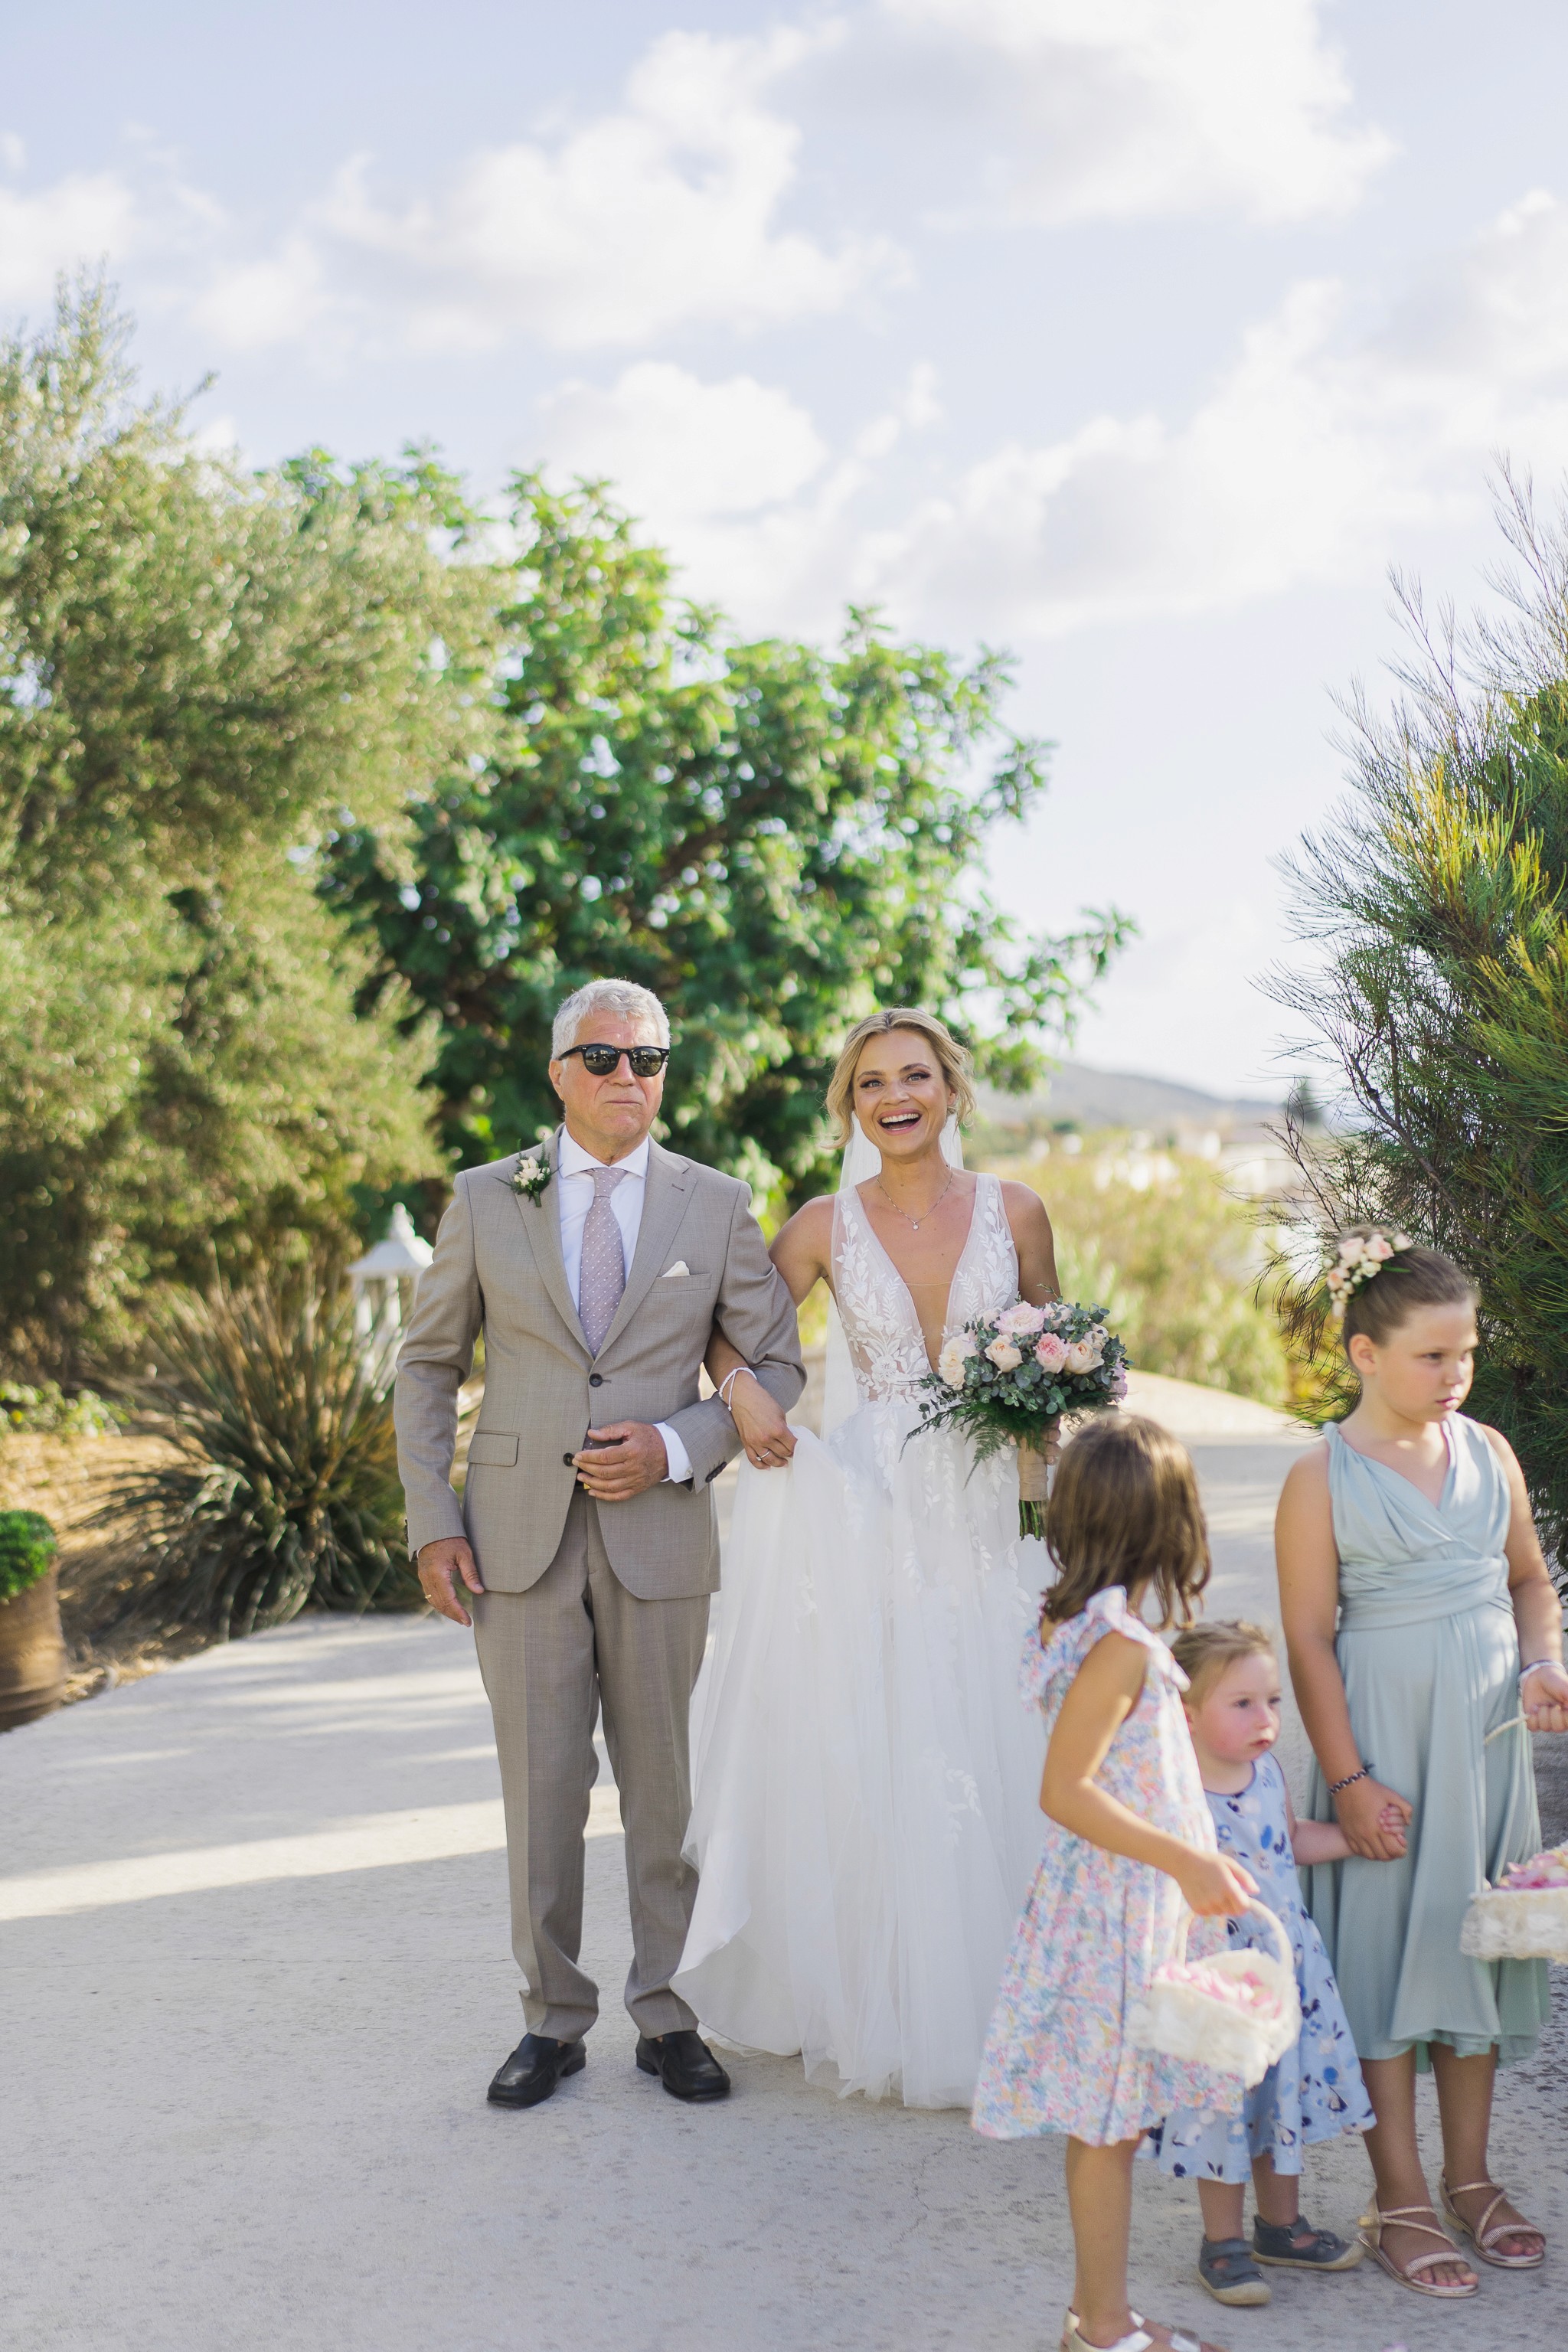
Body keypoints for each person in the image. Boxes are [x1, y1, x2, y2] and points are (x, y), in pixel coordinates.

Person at [394, 978, 805, 2111]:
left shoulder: (715, 1204)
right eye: (609, 1057)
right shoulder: (487, 1197)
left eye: (652, 1058)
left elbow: (777, 1369)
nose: (633, 1076)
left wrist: (678, 1447)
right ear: (560, 1072)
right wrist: (432, 1518)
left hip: (661, 1534)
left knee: (665, 1793)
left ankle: (667, 2013)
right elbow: (428, 1367)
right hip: (512, 1537)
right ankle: (552, 2019)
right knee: (541, 1791)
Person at [672, 1008, 1059, 2107]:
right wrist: (743, 1391)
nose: (897, 1095)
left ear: (952, 1089)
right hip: (874, 1508)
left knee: (1006, 1722)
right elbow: (720, 1319)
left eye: (918, 1075)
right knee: (895, 1731)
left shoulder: (1017, 1212)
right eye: (873, 1081)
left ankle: (1021, 1995)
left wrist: (1046, 1537)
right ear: (851, 1105)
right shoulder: (819, 1226)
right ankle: (901, 2000)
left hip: (993, 1510)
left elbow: (1051, 1384)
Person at [1276, 1228, 1568, 2298]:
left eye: (1468, 1355)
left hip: (1485, 1747)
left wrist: (1544, 1663)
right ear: (1363, 1353)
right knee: (1390, 1959)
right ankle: (1399, 2192)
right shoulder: (1323, 1476)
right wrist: (1348, 1783)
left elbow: (1531, 1580)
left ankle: (1474, 2178)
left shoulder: (1490, 1452)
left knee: (1477, 1947)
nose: (1456, 1377)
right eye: (1431, 1357)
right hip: (1386, 1753)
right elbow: (1308, 1636)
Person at [972, 1415, 1251, 2352]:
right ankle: (1100, 2328)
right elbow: (1066, 1789)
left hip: (1111, 1899)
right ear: (1168, 1527)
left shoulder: (1078, 1617)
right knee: (1105, 2125)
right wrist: (1182, 1857)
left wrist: (1191, 1846)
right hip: (1113, 1909)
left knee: (1113, 2122)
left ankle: (1105, 2313)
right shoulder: (1120, 1644)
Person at [1149, 1620, 1372, 2308]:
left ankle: (1281, 2225)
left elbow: (1291, 1839)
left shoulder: (1268, 1771)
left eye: (1272, 1701)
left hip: (1285, 1972)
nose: (1266, 1718)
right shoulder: (1177, 1791)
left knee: (1282, 2094)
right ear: (1185, 1716)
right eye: (1242, 1704)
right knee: (1223, 2102)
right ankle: (1222, 2242)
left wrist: (1356, 1837)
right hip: (1221, 1982)